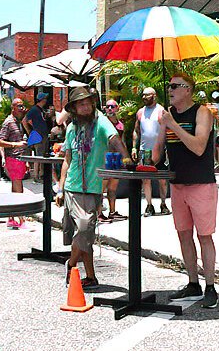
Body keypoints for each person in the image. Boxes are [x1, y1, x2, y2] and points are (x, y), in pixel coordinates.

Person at [158, 74, 219, 308]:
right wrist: (160, 128)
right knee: (183, 234)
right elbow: (156, 154)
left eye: (174, 86)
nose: (170, 89)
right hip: (178, 183)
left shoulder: (202, 112)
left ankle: (211, 287)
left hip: (200, 183)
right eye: (169, 85)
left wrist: (173, 125)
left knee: (204, 236)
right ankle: (193, 282)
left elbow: (198, 147)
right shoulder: (168, 115)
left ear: (187, 90)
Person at [57, 86, 128, 291]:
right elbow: (67, 160)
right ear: (74, 108)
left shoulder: (101, 122)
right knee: (84, 229)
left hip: (94, 187)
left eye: (88, 102)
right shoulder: (71, 128)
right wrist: (60, 188)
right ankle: (87, 274)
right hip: (73, 187)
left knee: (84, 230)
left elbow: (114, 139)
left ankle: (74, 266)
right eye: (81, 103)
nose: (85, 106)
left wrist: (125, 157)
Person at [135, 87, 170, 216]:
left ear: (154, 96)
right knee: (146, 179)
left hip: (160, 150)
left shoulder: (161, 111)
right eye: (143, 95)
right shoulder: (140, 112)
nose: (144, 98)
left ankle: (163, 203)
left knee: (161, 179)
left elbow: (168, 130)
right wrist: (134, 147)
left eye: (147, 95)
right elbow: (136, 130)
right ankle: (149, 205)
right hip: (145, 151)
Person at [0, 97, 30, 229]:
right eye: (19, 106)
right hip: (13, 159)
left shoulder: (18, 122)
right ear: (13, 108)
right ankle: (21, 219)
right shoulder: (8, 122)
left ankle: (11, 218)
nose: (22, 108)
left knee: (15, 190)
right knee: (19, 189)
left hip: (20, 158)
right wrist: (14, 145)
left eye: (23, 106)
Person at [100, 98, 126, 223]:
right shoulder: (102, 123)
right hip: (105, 157)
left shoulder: (120, 124)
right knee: (102, 187)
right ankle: (99, 212)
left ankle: (112, 211)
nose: (110, 109)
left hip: (116, 158)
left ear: (117, 108)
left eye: (112, 106)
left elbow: (123, 141)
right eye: (107, 107)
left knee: (113, 187)